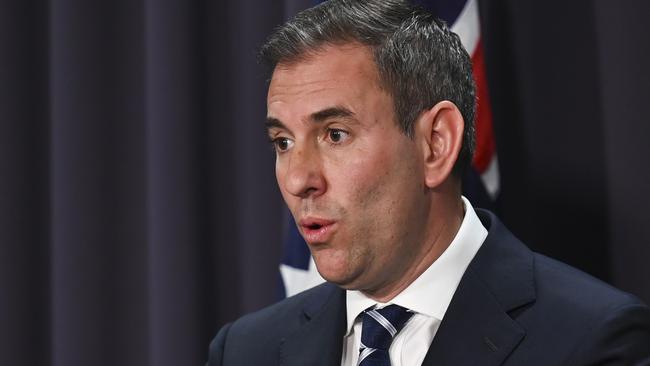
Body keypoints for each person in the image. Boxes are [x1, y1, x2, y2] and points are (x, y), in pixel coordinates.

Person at [207, 0, 650, 365]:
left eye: (335, 135)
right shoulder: (247, 350)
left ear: (435, 144)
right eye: (283, 142)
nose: (299, 178)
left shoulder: (592, 341)